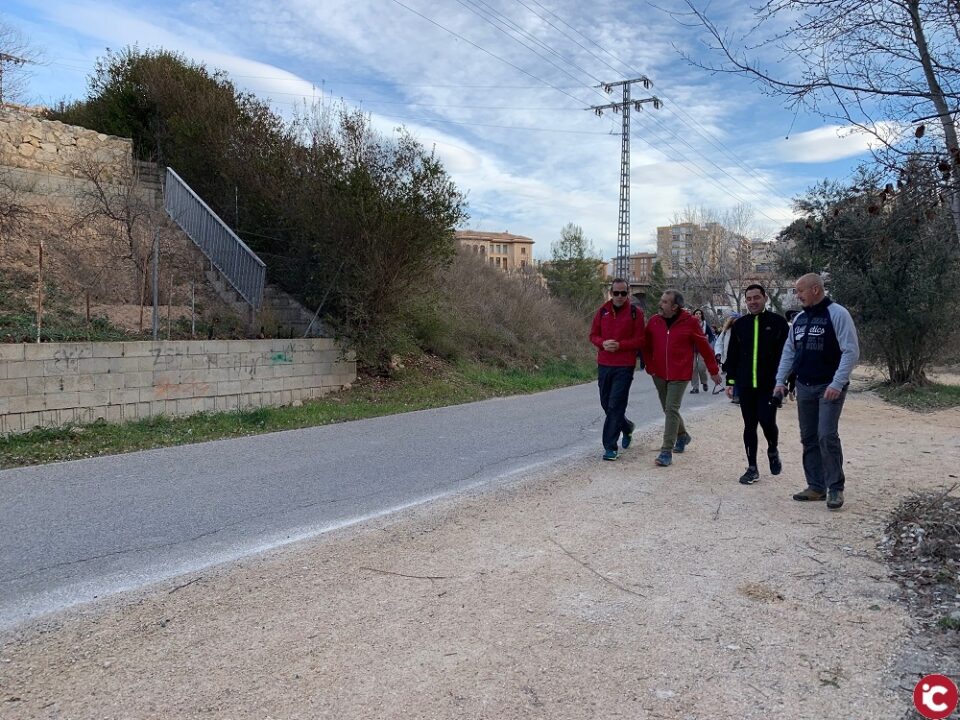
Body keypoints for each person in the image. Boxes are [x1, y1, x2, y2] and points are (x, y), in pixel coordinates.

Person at [774, 273, 860, 510]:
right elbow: (789, 352)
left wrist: (837, 383)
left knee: (826, 435)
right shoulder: (799, 319)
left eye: (800, 290)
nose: (797, 295)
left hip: (829, 386)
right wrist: (780, 381)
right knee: (809, 437)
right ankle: (816, 486)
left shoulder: (838, 314)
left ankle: (835, 488)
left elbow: (851, 351)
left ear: (815, 289)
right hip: (804, 386)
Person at [643, 290, 722, 467]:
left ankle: (666, 451)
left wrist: (713, 370)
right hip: (659, 373)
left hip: (680, 374)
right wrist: (650, 366)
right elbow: (645, 346)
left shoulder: (690, 322)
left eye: (664, 302)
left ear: (674, 307)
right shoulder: (654, 321)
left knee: (671, 408)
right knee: (667, 409)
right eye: (661, 301)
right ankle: (683, 435)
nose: (660, 304)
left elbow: (704, 347)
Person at [722, 284, 790, 485]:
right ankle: (752, 468)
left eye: (756, 298)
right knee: (749, 425)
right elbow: (732, 355)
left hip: (769, 385)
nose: (752, 302)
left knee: (768, 422)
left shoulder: (778, 323)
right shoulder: (740, 325)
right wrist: (731, 382)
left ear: (765, 298)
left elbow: (787, 355)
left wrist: (785, 381)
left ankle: (772, 449)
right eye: (749, 299)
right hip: (746, 385)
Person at [590, 278, 645, 461]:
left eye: (623, 293)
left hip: (624, 366)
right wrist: (603, 343)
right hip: (605, 364)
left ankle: (610, 447)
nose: (620, 296)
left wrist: (620, 345)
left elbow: (640, 340)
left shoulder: (636, 313)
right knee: (606, 404)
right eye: (616, 293)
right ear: (611, 293)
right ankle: (627, 427)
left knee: (615, 405)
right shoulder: (603, 311)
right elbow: (593, 335)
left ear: (628, 293)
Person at [689, 308, 715, 393]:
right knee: (693, 368)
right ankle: (695, 387)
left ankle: (704, 382)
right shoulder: (689, 324)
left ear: (701, 315)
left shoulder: (705, 325)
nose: (698, 315)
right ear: (694, 315)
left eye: (700, 314)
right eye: (696, 313)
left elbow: (711, 336)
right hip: (692, 349)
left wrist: (708, 341)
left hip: (702, 349)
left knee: (701, 368)